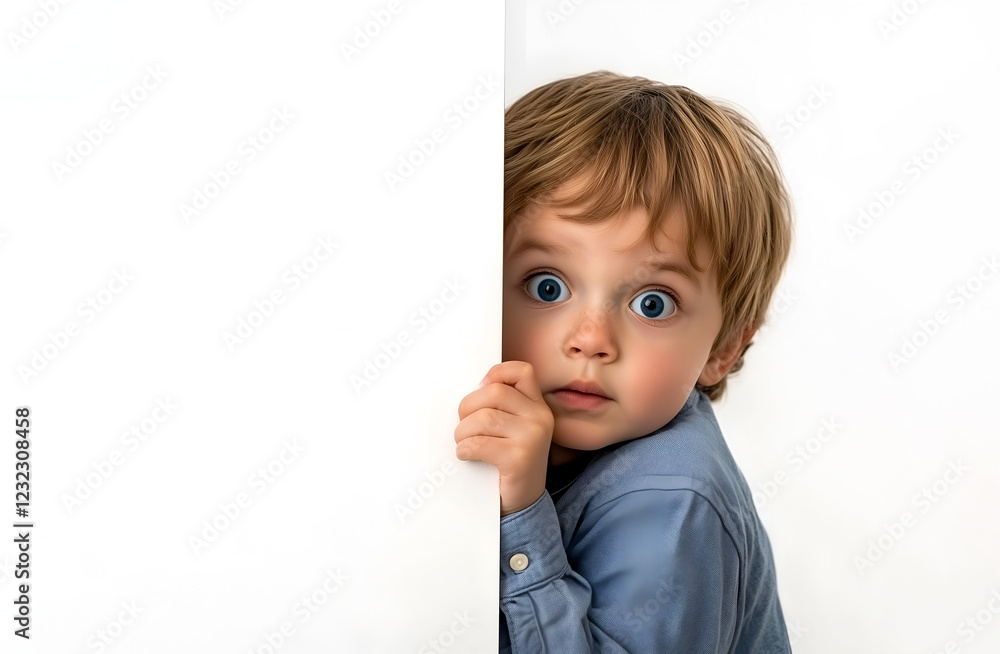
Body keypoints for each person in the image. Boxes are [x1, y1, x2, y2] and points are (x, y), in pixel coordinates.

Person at [454, 70, 794, 652]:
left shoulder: (674, 501)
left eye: (652, 303)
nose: (590, 339)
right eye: (547, 287)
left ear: (723, 349)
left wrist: (525, 511)